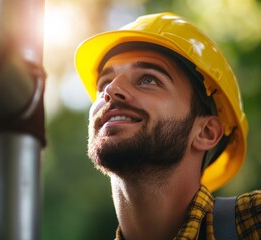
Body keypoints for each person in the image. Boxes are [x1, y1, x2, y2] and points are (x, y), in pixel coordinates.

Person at [74, 12, 261, 239]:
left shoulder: (252, 221)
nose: (110, 91)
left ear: (206, 132)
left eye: (148, 80)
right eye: (104, 83)